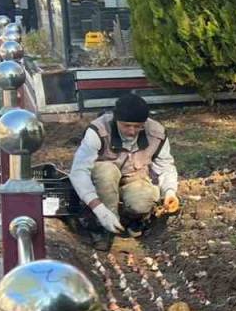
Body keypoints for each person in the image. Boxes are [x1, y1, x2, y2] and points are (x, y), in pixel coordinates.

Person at [69, 94, 179, 251]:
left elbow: (166, 166)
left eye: (138, 126)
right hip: (103, 178)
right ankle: (102, 228)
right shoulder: (98, 130)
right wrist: (98, 208)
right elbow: (78, 171)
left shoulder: (156, 133)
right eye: (126, 125)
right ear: (116, 120)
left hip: (134, 177)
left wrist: (169, 192)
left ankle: (129, 219)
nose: (132, 131)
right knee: (106, 171)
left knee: (141, 202)